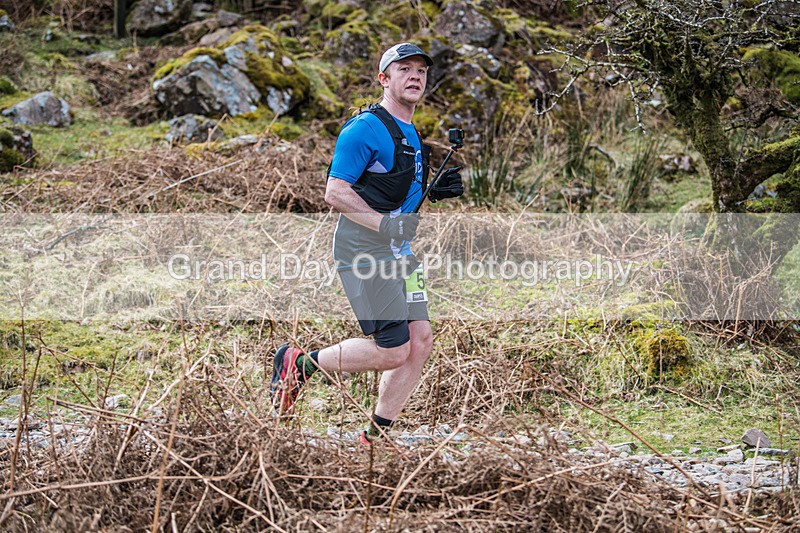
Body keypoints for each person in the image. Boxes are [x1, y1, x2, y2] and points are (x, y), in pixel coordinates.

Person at [270, 43, 464, 443]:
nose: (415, 76)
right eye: (404, 69)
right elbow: (336, 191)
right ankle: (298, 363)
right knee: (393, 350)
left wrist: (434, 189)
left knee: (420, 342)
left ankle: (374, 439)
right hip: (364, 251)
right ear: (384, 79)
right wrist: (382, 225)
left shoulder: (411, 132)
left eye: (421, 71)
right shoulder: (364, 127)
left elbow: (391, 189)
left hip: (399, 255)